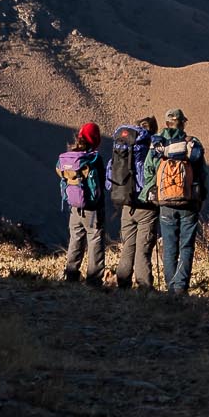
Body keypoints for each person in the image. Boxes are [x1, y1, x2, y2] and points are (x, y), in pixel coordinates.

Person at [145, 108, 206, 295]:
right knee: (186, 245)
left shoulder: (158, 145)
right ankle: (180, 287)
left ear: (166, 124)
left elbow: (148, 170)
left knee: (170, 246)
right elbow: (202, 173)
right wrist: (200, 196)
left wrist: (152, 193)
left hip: (165, 204)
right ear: (183, 123)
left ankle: (171, 286)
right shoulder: (191, 144)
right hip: (188, 202)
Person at [108, 117, 159, 289]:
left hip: (126, 203)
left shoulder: (122, 148)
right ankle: (144, 286)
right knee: (143, 248)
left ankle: (123, 283)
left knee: (128, 246)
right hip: (146, 206)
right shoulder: (150, 151)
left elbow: (110, 177)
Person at [56, 122, 106, 285]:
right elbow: (103, 181)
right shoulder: (94, 158)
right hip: (92, 208)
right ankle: (94, 280)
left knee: (75, 239)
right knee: (95, 239)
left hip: (74, 206)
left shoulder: (69, 156)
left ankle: (70, 275)